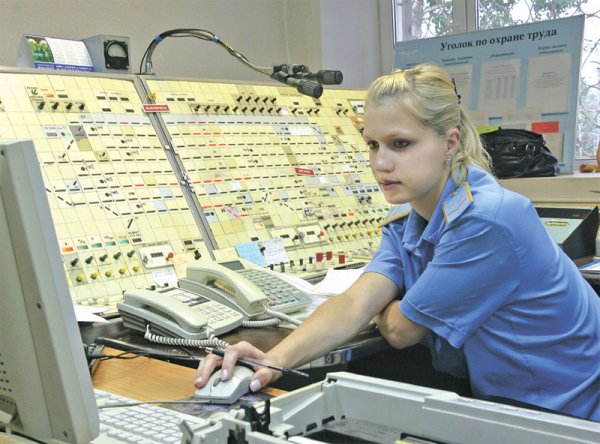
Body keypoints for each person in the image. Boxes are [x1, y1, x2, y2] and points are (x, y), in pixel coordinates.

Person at [195, 64, 600, 421]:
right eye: (373, 144)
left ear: (450, 143)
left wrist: (390, 303)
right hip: (506, 399)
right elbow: (355, 302)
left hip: (560, 410)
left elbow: (401, 330)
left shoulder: (487, 220)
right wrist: (271, 360)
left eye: (400, 144)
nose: (380, 163)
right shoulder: (412, 216)